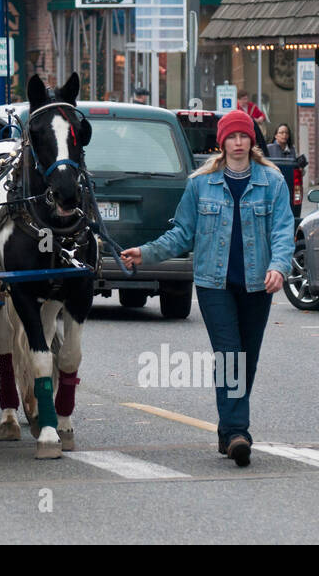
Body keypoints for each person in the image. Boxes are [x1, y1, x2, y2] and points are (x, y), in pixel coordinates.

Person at [119, 110, 294, 467]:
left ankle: (228, 427)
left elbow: (281, 230)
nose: (239, 143)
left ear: (253, 141)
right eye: (232, 137)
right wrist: (146, 253)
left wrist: (278, 266)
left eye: (244, 137)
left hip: (257, 283)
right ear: (222, 142)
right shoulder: (201, 184)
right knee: (229, 355)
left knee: (248, 359)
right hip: (214, 285)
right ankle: (236, 432)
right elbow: (182, 233)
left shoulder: (272, 182)